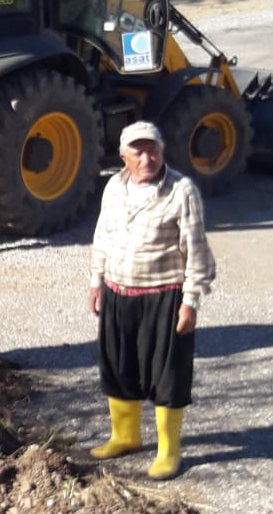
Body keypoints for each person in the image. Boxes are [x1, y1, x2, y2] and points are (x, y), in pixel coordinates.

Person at [87, 120, 216, 480]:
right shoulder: (114, 186)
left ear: (162, 150)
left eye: (153, 149)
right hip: (117, 292)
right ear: (124, 156)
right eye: (138, 151)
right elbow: (102, 235)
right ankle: (125, 436)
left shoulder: (181, 191)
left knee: (167, 374)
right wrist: (96, 280)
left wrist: (191, 301)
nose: (148, 157)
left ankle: (168, 451)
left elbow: (197, 251)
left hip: (164, 296)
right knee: (119, 367)